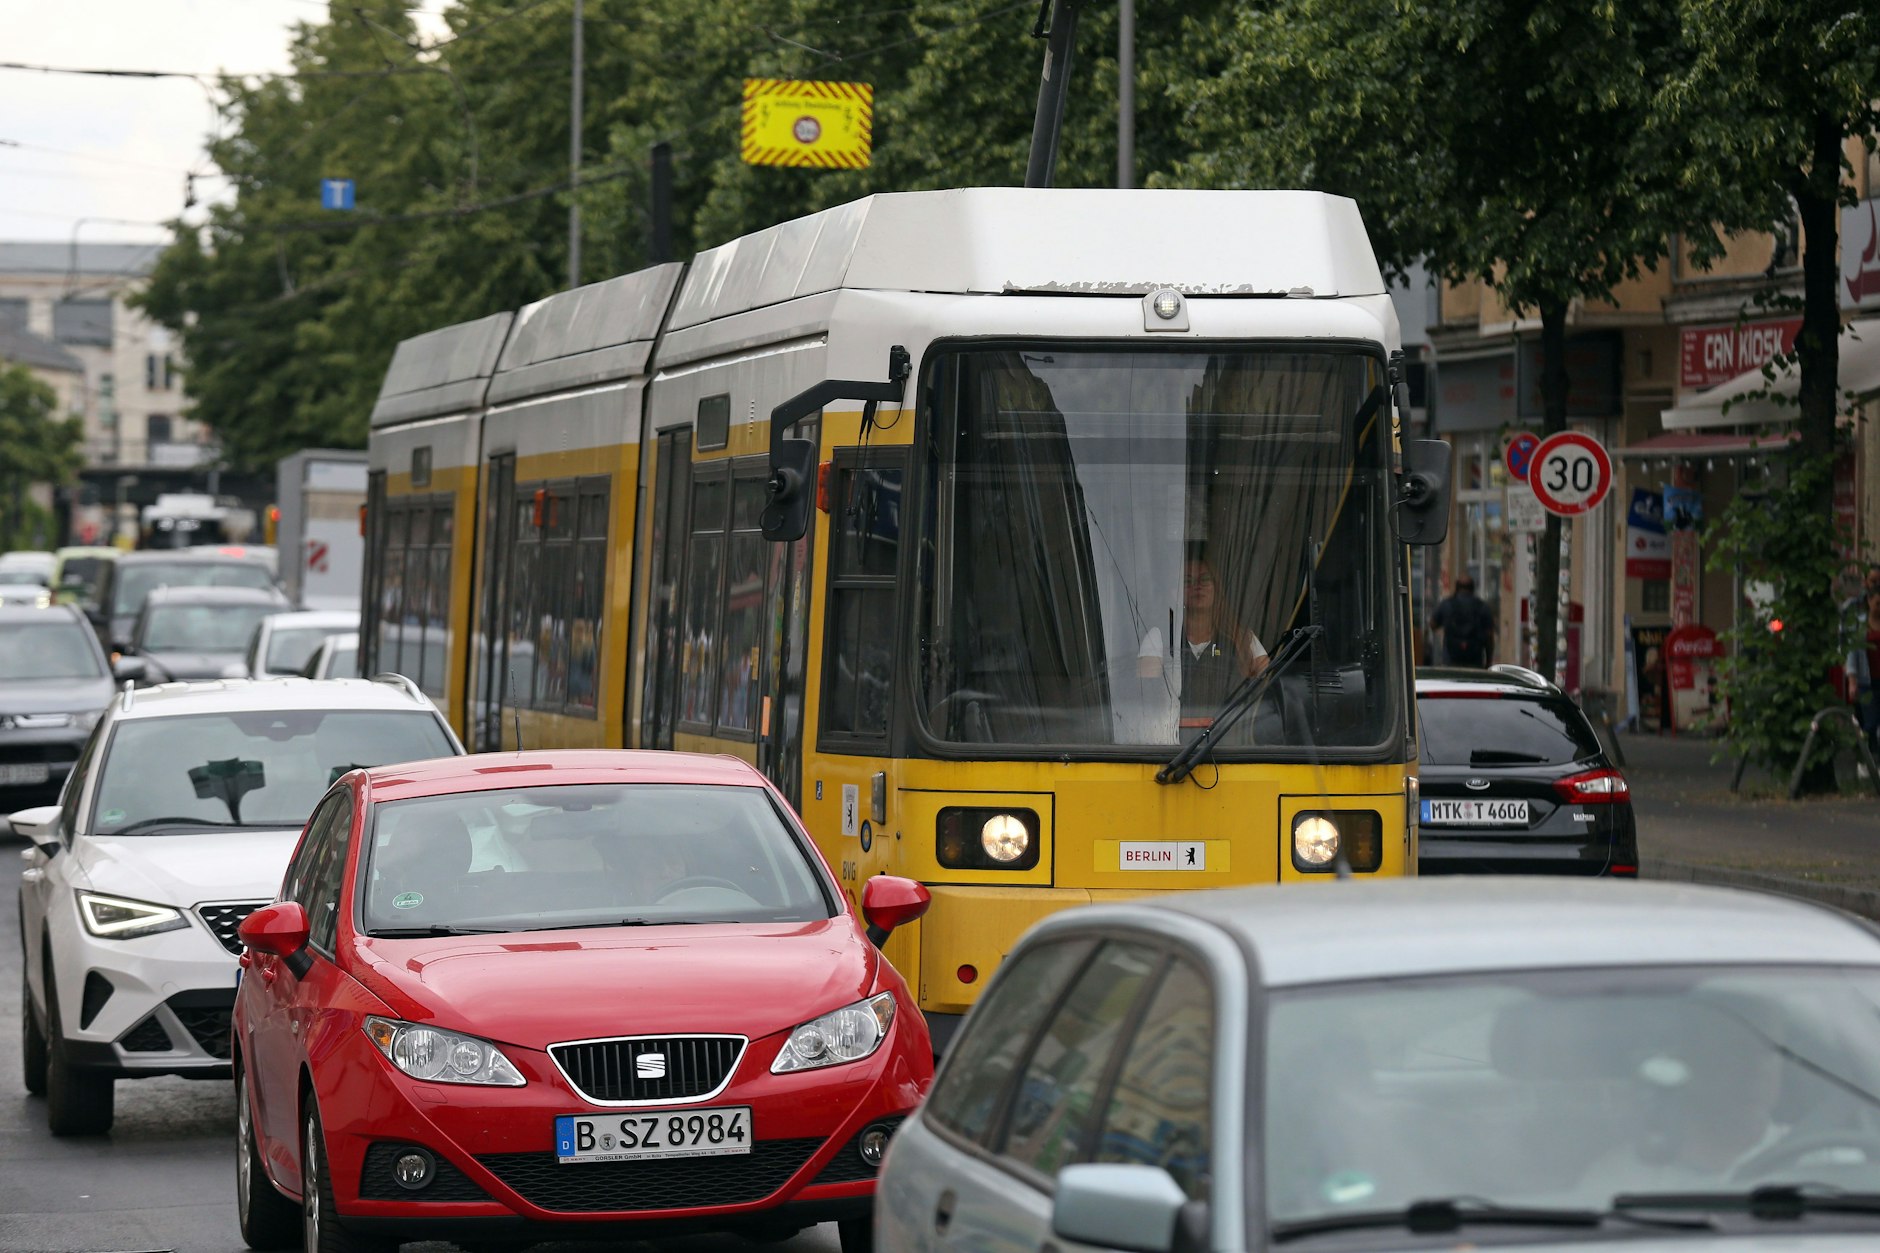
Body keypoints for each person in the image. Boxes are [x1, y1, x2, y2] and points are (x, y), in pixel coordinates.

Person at [1138, 550, 1269, 727]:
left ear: (1217, 588)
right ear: (1173, 593)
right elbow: (1145, 701)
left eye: (1205, 579)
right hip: (1173, 739)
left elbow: (1267, 692)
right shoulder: (1157, 638)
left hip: (1231, 739)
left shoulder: (1244, 639)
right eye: (1187, 581)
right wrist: (1183, 723)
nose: (1197, 586)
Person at [1432, 574, 1496, 667]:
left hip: (1451, 661)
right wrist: (1489, 661)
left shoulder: (1446, 605)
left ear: (1456, 588)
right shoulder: (1482, 607)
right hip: (1475, 662)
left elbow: (1433, 624)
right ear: (1473, 588)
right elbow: (1489, 636)